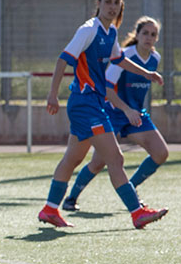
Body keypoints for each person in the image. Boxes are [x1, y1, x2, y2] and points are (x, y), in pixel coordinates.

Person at [38, 0, 168, 230]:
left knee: (73, 159)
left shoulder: (111, 33)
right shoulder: (88, 29)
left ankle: (50, 209)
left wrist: (147, 74)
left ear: (121, 6)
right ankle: (137, 212)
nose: (112, 6)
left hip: (93, 103)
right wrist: (52, 94)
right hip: (85, 104)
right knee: (115, 158)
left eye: (116, 2)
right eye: (107, 2)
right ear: (98, 4)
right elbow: (62, 60)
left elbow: (119, 60)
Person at [62, 16, 168, 211]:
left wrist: (132, 111)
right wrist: (126, 109)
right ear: (136, 35)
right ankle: (71, 198)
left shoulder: (155, 59)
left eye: (153, 35)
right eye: (145, 33)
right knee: (98, 162)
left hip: (135, 113)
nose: (149, 38)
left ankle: (131, 190)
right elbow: (108, 89)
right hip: (114, 112)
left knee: (161, 153)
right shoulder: (126, 55)